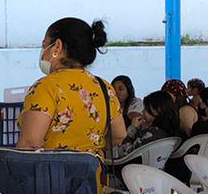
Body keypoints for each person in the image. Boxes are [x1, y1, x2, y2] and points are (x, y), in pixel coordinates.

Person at [17, 17, 126, 161]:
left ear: (57, 46)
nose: (43, 52)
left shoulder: (46, 87)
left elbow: (29, 144)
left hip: (51, 179)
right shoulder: (104, 87)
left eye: (44, 45)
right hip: (91, 180)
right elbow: (119, 134)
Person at [113, 89, 183, 164]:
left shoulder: (151, 134)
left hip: (132, 170)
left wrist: (133, 128)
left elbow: (124, 153)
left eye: (146, 109)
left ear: (156, 111)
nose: (142, 112)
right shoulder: (166, 132)